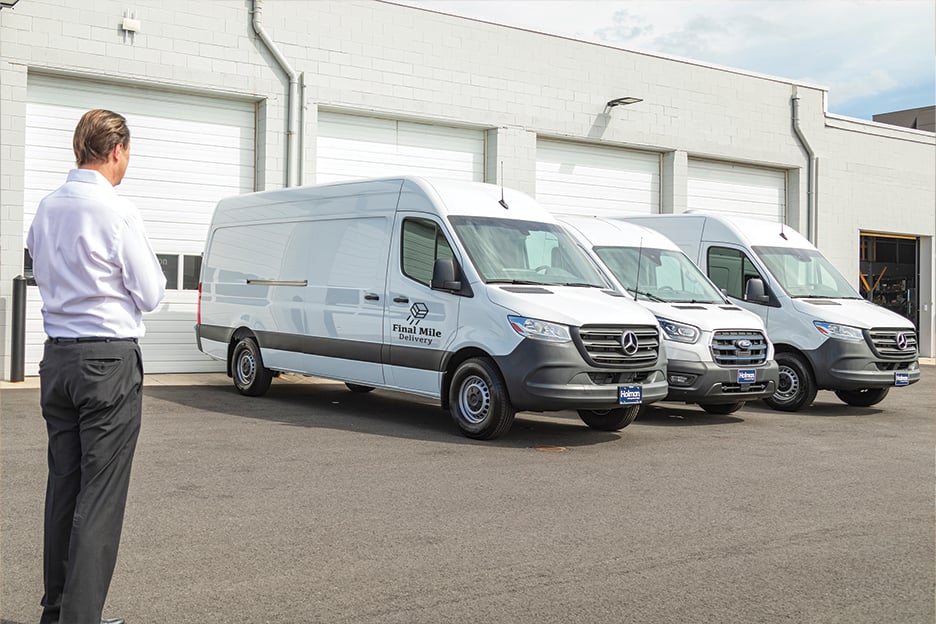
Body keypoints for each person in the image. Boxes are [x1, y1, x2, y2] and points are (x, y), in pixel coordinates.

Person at [26, 109, 166, 624]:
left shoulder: (46, 209)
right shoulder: (117, 210)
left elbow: (41, 271)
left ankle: (58, 610)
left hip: (58, 358)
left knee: (64, 486)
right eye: (128, 153)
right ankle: (80, 619)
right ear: (116, 151)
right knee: (100, 497)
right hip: (108, 361)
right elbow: (150, 293)